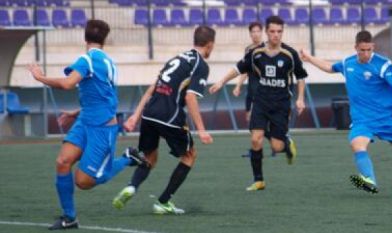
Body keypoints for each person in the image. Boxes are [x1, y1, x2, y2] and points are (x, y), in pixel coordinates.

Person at [27, 19, 148, 230]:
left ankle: (128, 158)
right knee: (63, 161)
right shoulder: (108, 62)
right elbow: (101, 97)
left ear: (85, 37)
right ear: (104, 39)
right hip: (86, 122)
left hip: (102, 128)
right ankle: (69, 217)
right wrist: (76, 113)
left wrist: (40, 77)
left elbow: (67, 84)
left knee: (83, 182)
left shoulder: (87, 60)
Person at [300, 30, 392, 193]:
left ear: (373, 47)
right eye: (363, 50)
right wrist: (309, 58)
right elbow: (329, 67)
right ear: (356, 48)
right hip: (362, 119)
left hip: (384, 117)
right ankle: (370, 182)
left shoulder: (382, 64)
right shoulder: (348, 63)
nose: (366, 53)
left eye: (369, 49)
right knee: (357, 144)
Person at [112, 26, 215, 214]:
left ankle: (132, 186)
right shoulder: (200, 65)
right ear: (210, 45)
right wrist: (201, 130)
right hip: (170, 115)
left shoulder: (176, 59)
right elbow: (190, 98)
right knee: (190, 155)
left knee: (150, 156)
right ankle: (163, 202)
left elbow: (153, 87)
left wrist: (135, 115)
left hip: (149, 113)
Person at [209, 16, 306, 191]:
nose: (276, 35)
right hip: (261, 102)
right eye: (272, 31)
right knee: (255, 139)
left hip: (281, 105)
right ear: (266, 32)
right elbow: (238, 68)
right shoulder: (256, 53)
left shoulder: (290, 54)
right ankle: (259, 180)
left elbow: (301, 76)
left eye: (279, 31)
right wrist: (221, 82)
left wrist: (300, 98)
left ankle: (287, 145)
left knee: (276, 146)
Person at [232, 22, 263, 122]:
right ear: (250, 34)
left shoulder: (267, 48)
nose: (256, 34)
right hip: (252, 87)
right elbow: (244, 69)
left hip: (264, 88)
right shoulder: (248, 50)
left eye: (258, 31)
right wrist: (238, 86)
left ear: (262, 33)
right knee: (249, 116)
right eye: (253, 31)